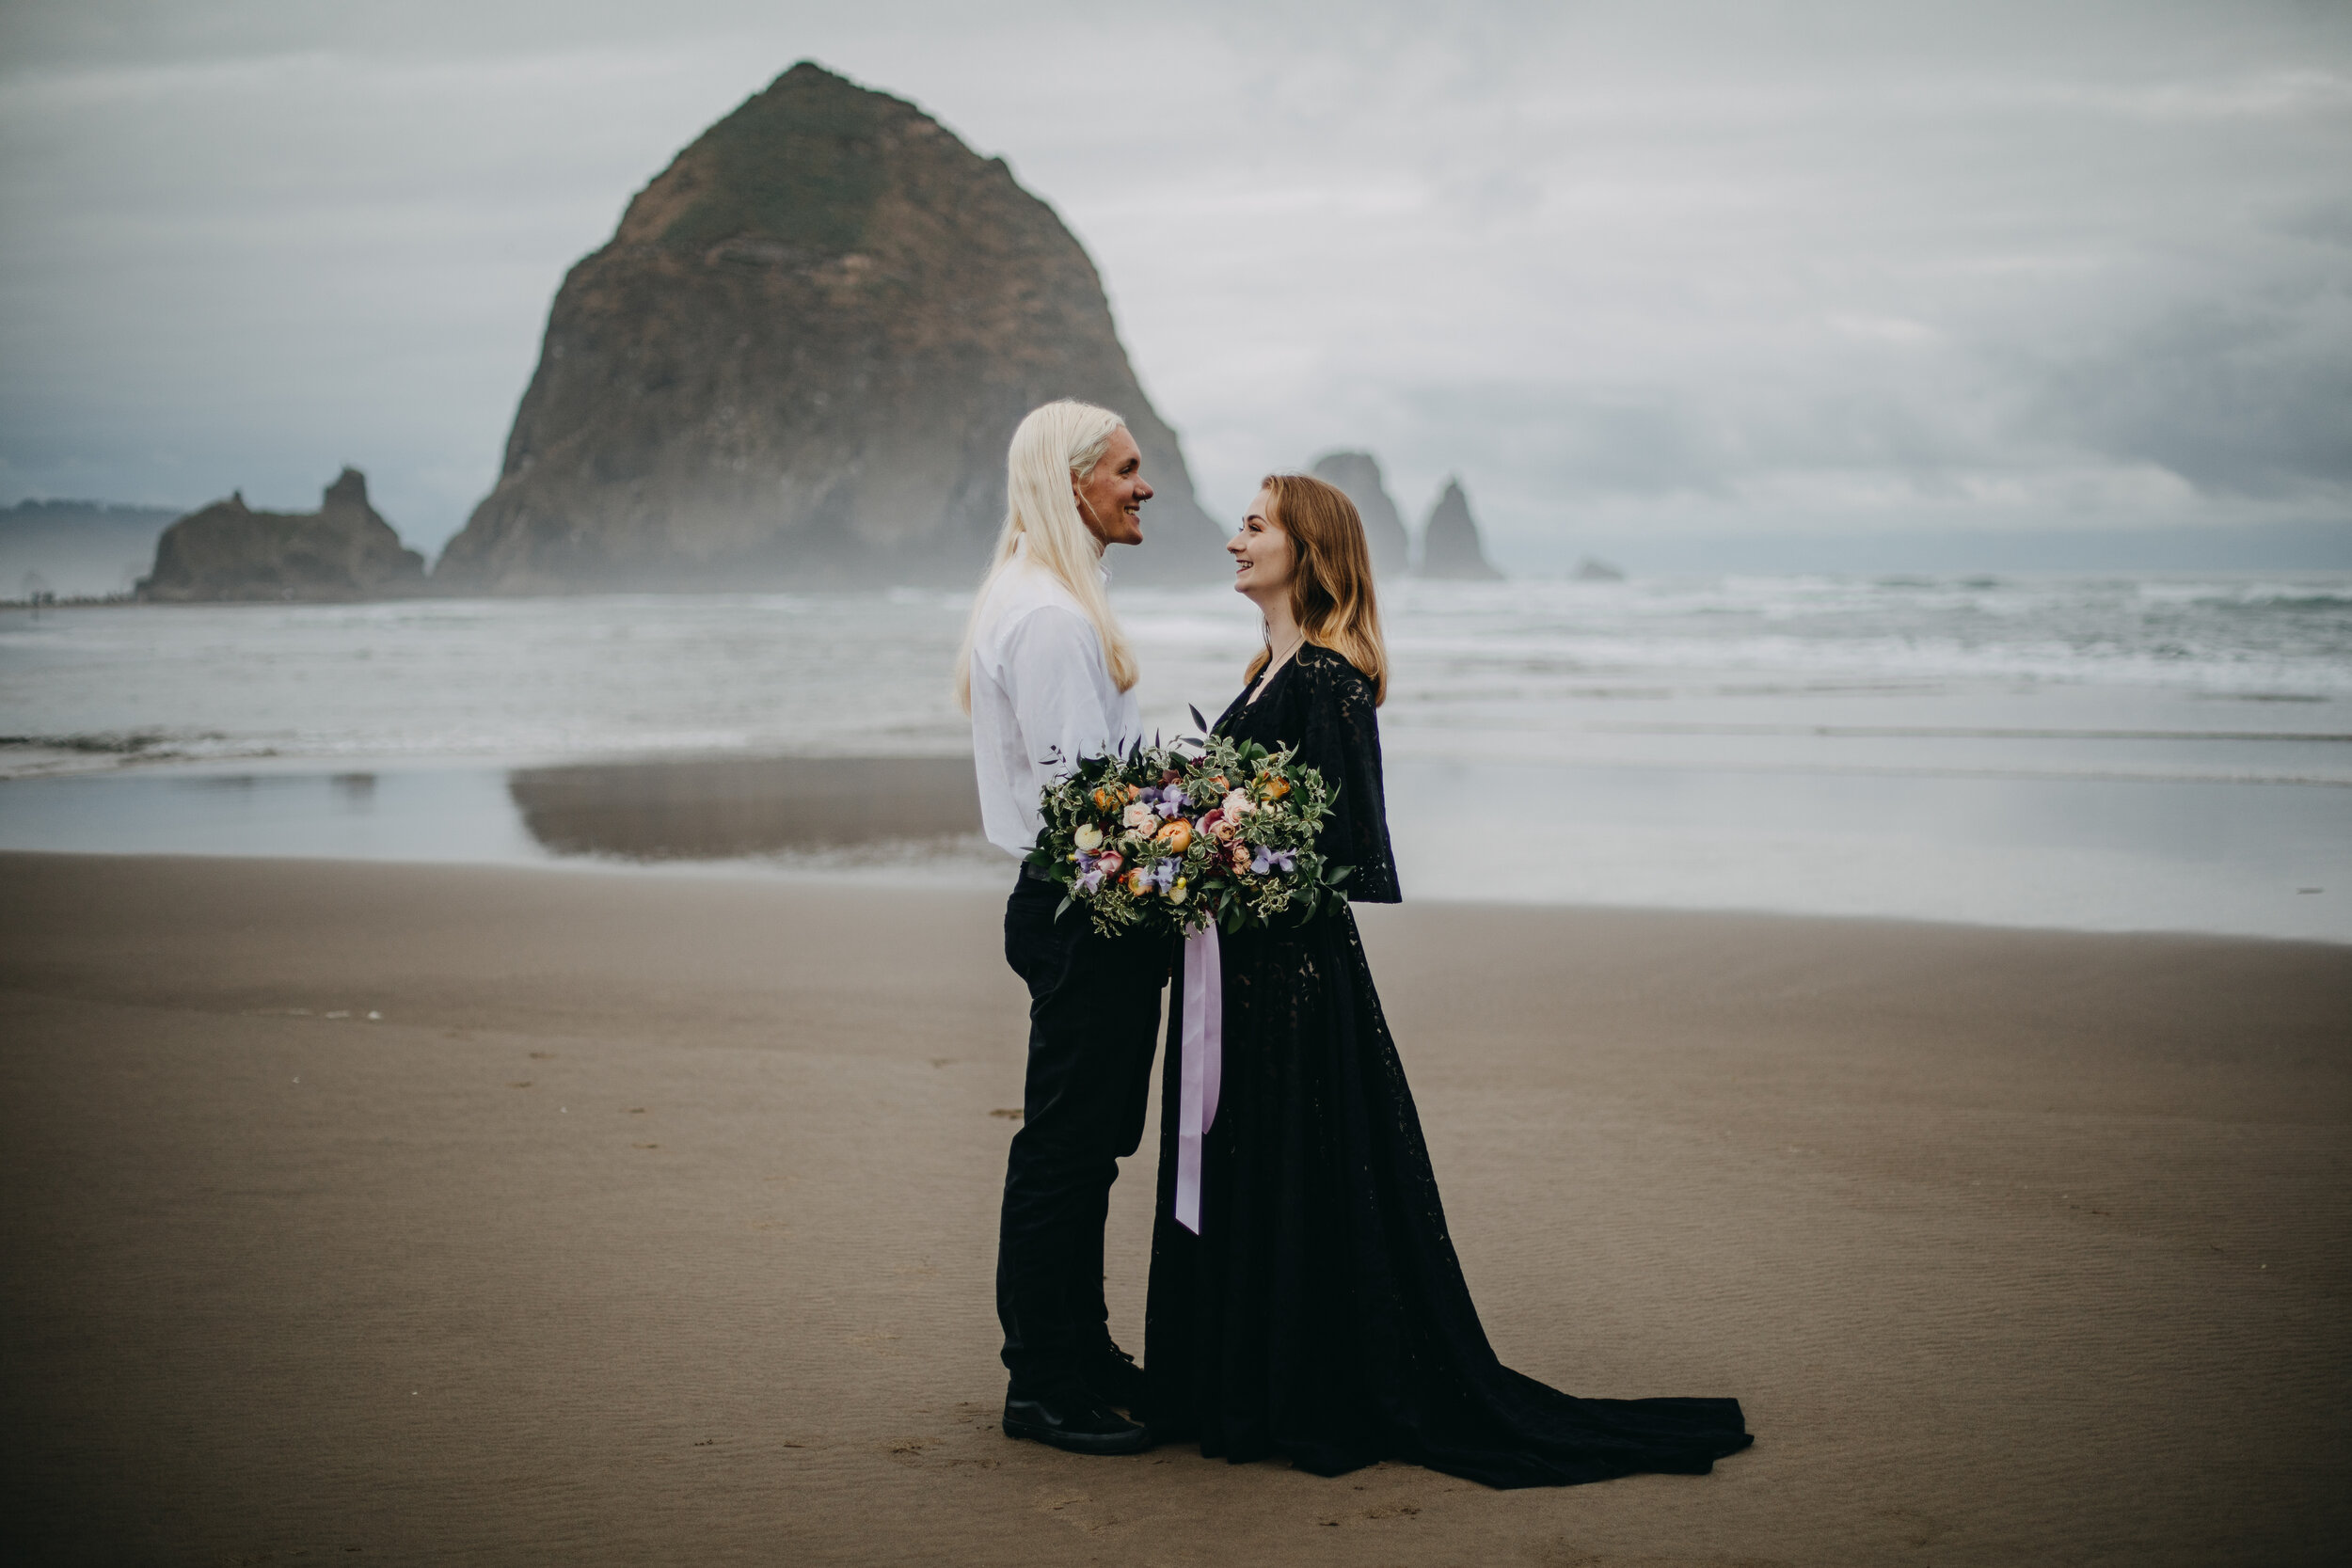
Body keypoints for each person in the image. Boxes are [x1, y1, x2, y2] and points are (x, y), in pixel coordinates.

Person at [1141, 473, 1754, 1487]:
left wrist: (1220, 854)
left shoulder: (1328, 679)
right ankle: (1229, 1376)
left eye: (1256, 524)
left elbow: (1340, 851)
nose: (1234, 539)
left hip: (1290, 980)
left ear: (1309, 547)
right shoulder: (1262, 672)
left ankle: (1288, 1384)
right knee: (1244, 1158)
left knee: (1291, 1162)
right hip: (1238, 975)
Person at [956, 399, 1168, 1456]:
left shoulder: (1042, 597)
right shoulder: (1049, 617)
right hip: (1086, 900)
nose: (1143, 486)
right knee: (1066, 1149)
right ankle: (1043, 1379)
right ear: (1072, 480)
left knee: (1084, 1149)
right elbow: (1087, 800)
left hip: (1074, 894)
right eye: (1126, 469)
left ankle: (1079, 1351)